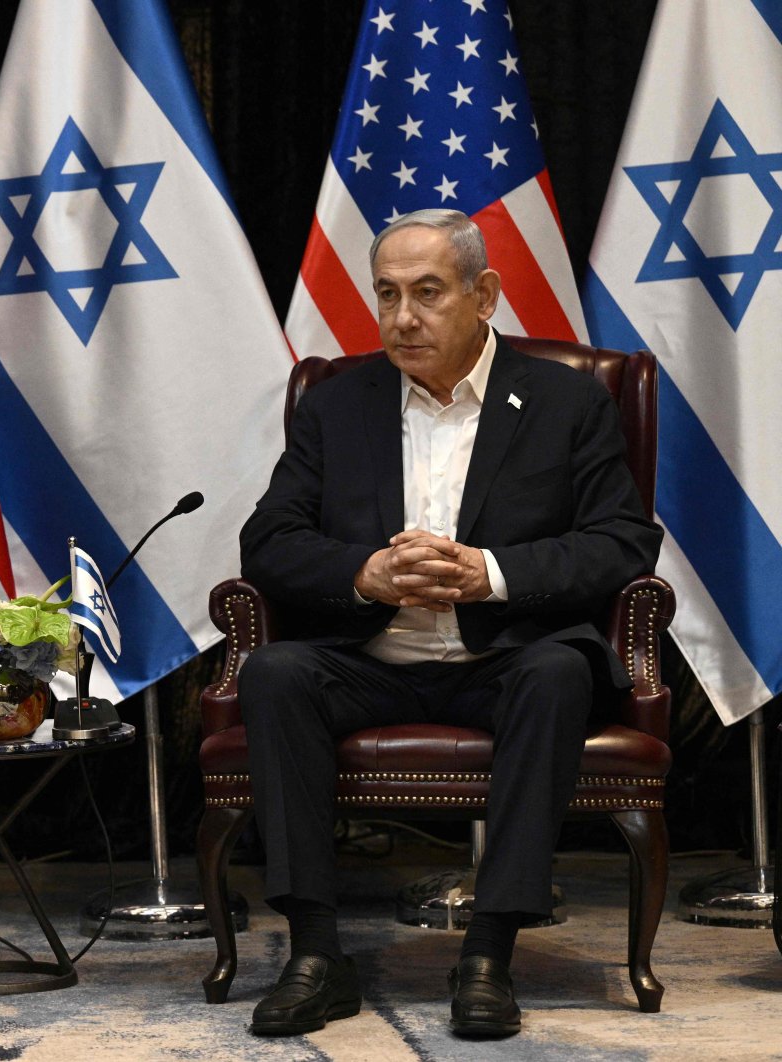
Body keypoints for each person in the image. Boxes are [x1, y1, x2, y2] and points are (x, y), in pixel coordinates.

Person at [236, 210, 662, 1039]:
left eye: (427, 293)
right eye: (387, 295)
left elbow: (621, 540)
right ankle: (317, 956)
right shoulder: (335, 403)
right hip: (371, 656)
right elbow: (269, 542)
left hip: (505, 657)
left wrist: (488, 574)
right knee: (275, 672)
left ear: (485, 294)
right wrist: (366, 574)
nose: (402, 318)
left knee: (558, 671)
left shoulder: (567, 400)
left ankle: (489, 954)